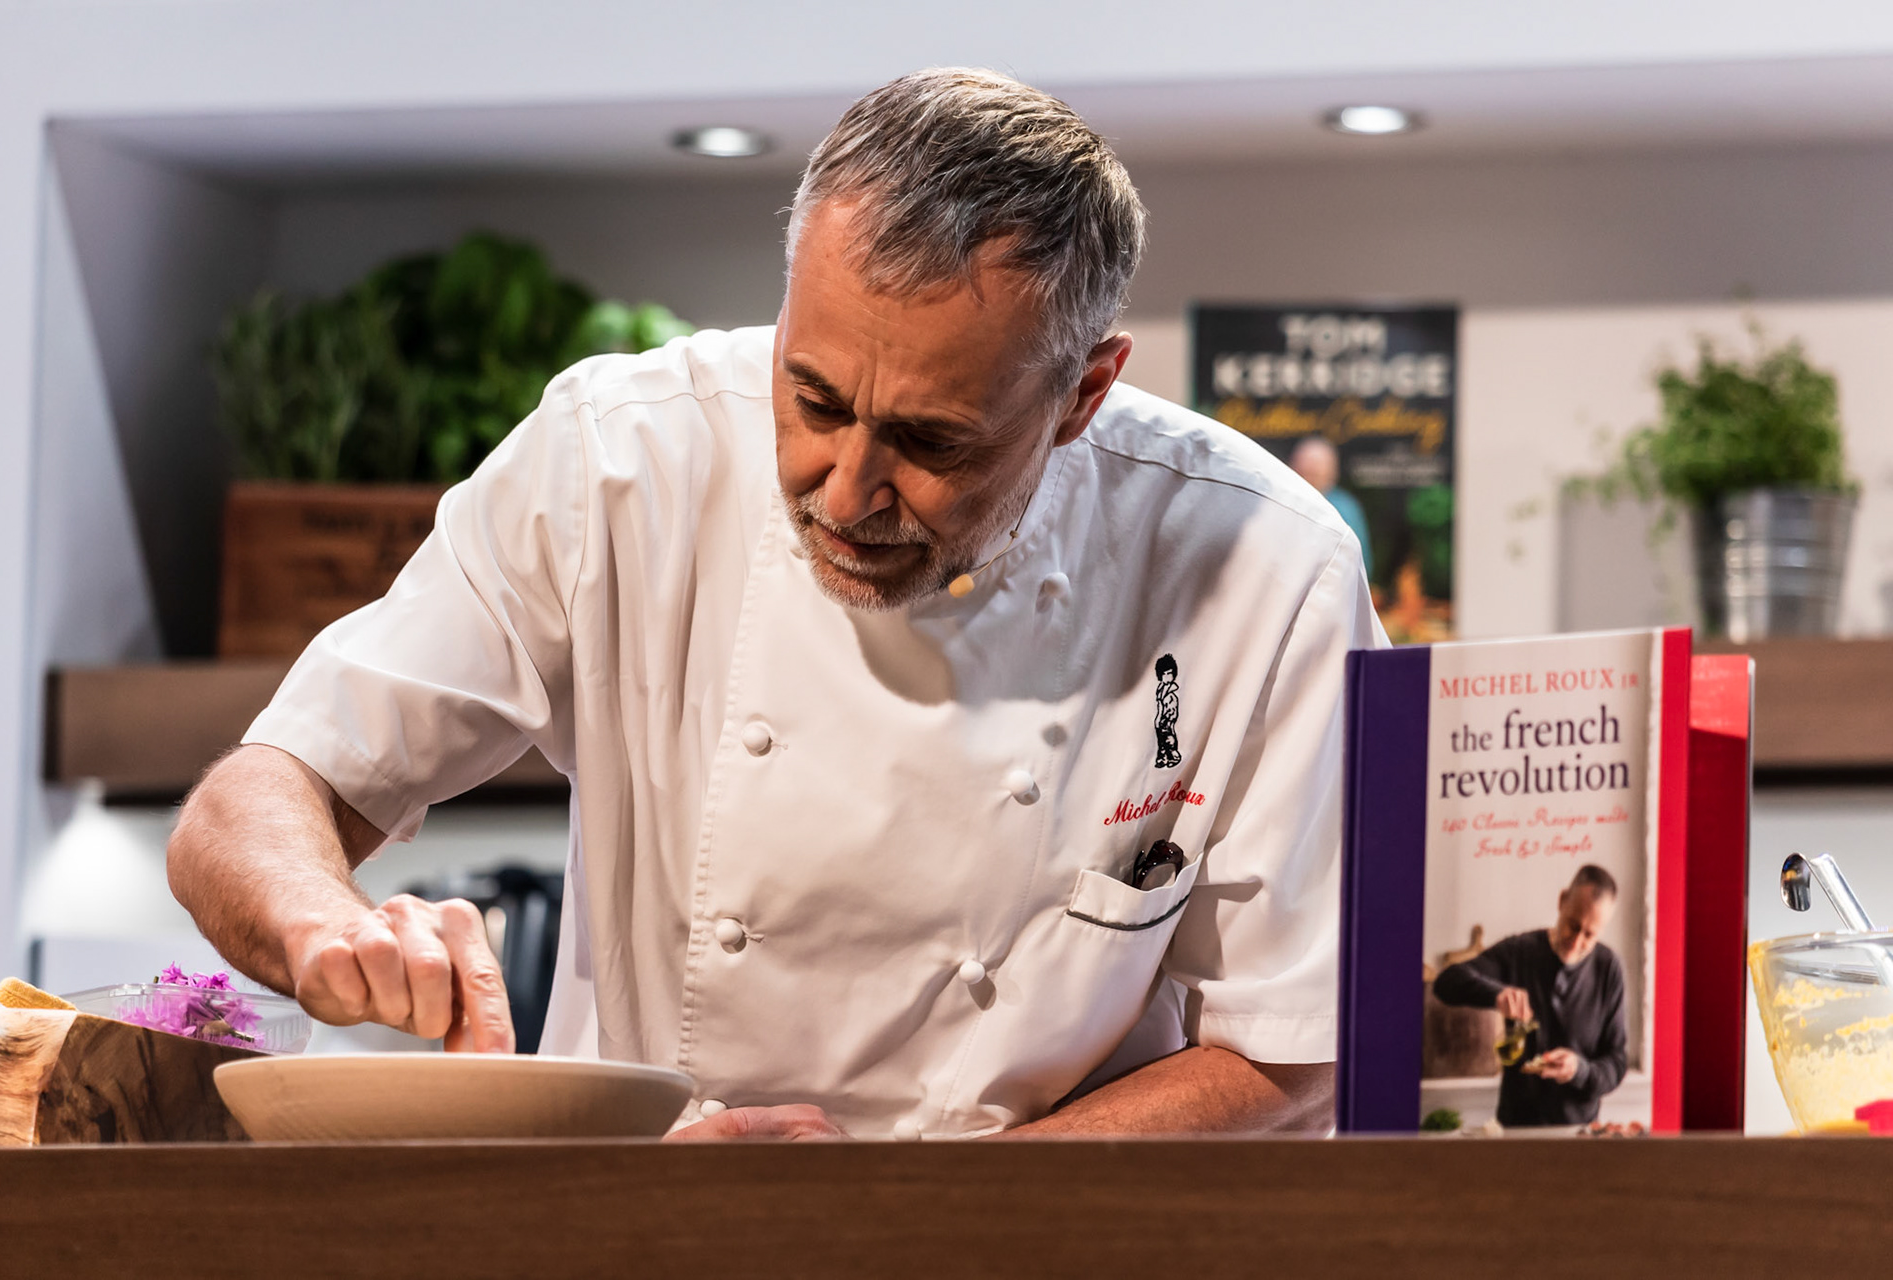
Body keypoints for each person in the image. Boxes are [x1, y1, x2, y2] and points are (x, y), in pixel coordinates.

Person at [167, 68, 1384, 1140]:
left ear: (1083, 393)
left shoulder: (1266, 567)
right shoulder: (618, 458)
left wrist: (917, 1211)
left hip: (1033, 1244)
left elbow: (1295, 1048)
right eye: (811, 398)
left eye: (928, 439)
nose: (847, 488)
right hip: (646, 1232)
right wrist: (328, 923)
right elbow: (254, 801)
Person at [1431, 865, 1629, 1127]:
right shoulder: (1519, 951)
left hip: (1579, 1135)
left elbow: (1616, 1061)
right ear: (1561, 902)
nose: (1577, 941)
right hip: (1516, 1130)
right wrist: (1497, 994)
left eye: (1589, 935)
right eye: (1573, 925)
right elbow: (1446, 982)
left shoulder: (1608, 968)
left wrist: (1579, 1070)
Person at [1287, 436, 1372, 578]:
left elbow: (1361, 561)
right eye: (1305, 470)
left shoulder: (1346, 508)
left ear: (1332, 472)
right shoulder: (1283, 503)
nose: (1310, 475)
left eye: (1315, 471)